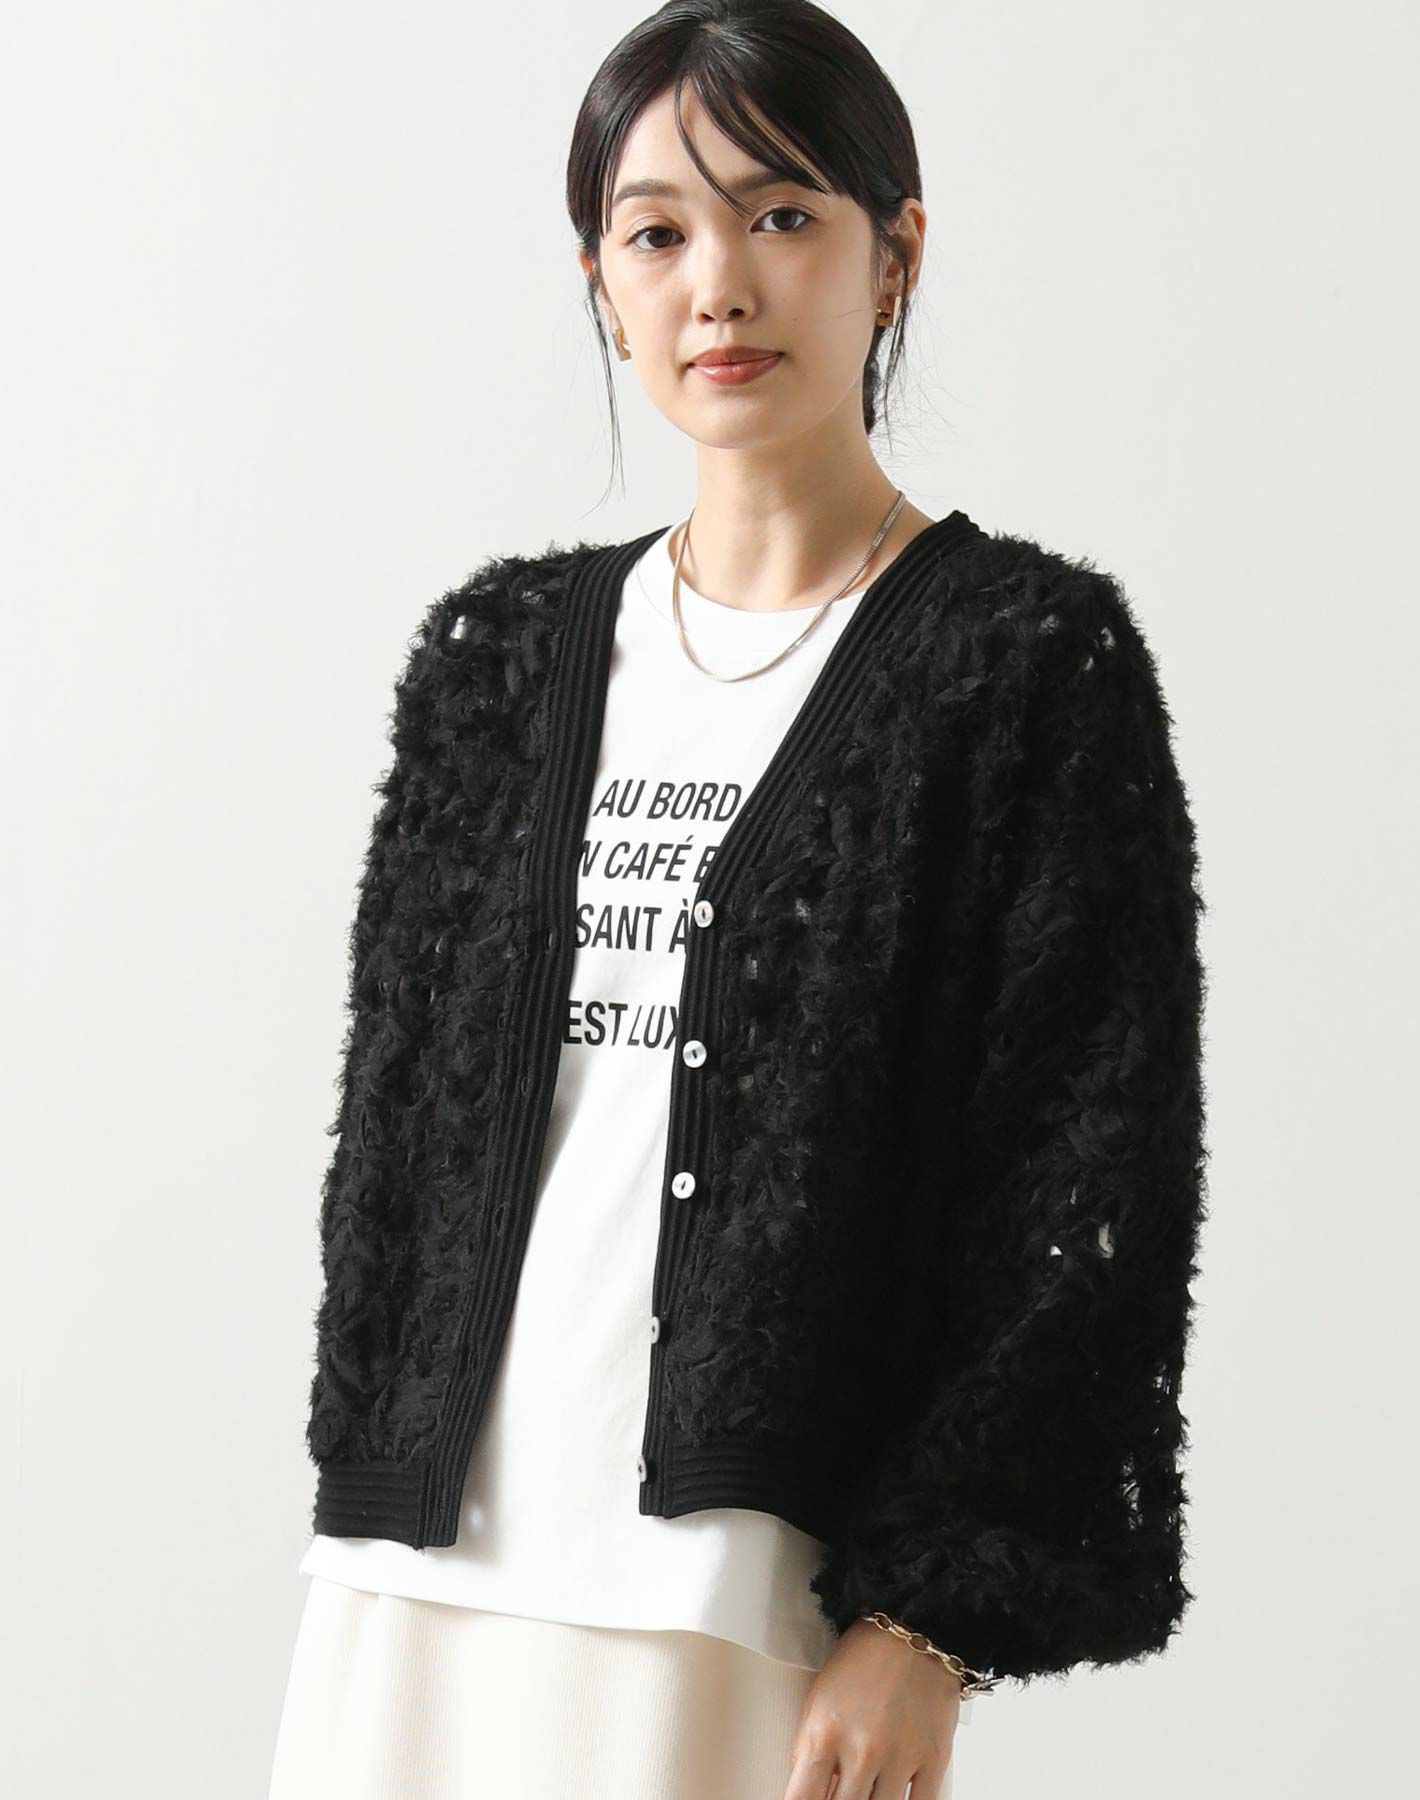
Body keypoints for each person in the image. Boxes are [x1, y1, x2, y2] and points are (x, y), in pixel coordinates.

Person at [267, 4, 1208, 1798]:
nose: (719, 285)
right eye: (657, 234)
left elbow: (1084, 1181)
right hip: (422, 1577)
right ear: (602, 286)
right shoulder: (499, 661)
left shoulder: (1021, 665)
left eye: (781, 215)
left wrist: (926, 1621)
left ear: (894, 251)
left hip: (734, 1602)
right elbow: (387, 1160)